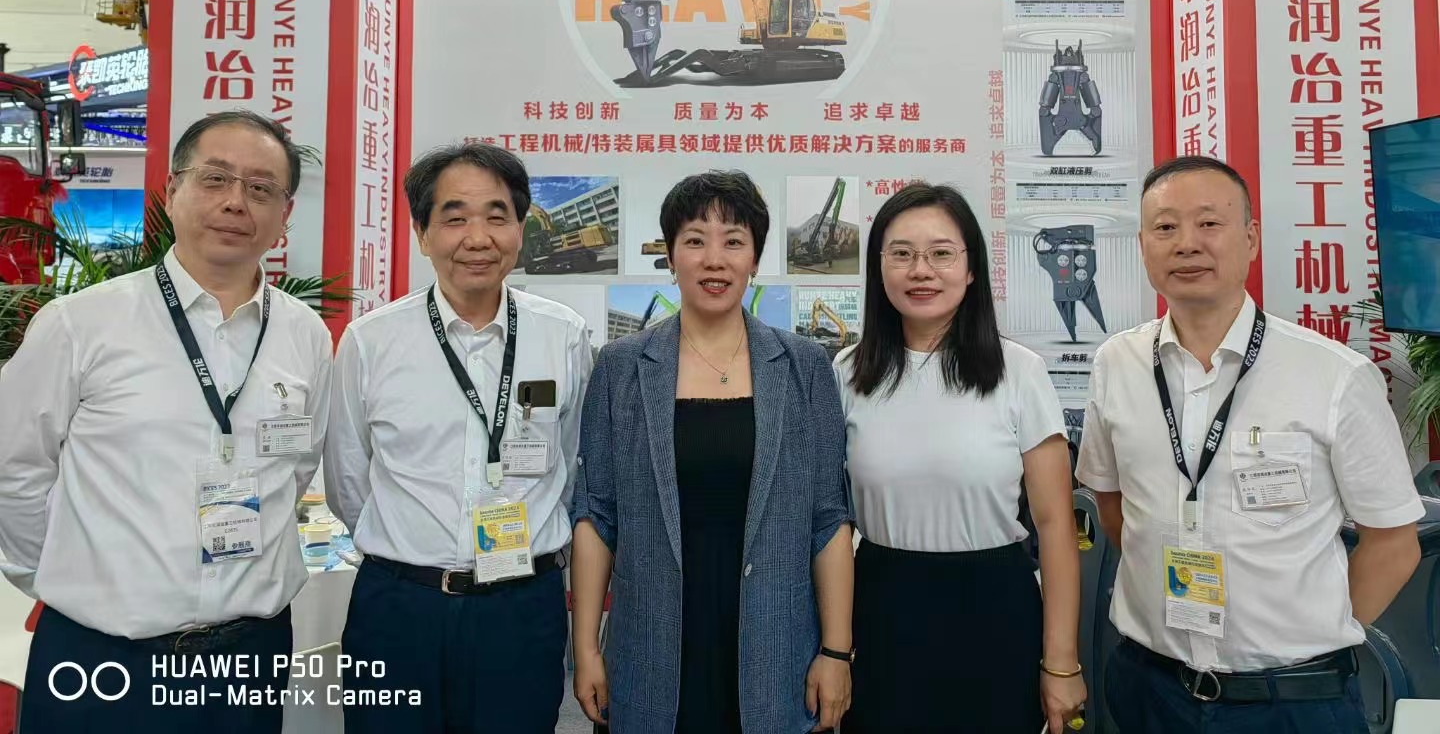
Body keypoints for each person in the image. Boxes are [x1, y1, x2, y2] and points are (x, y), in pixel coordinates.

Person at [0, 110, 332, 733]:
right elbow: (14, 470)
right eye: (215, 179)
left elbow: (297, 468)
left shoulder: (304, 333)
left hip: (248, 656)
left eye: (261, 188)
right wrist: (72, 578)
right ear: (174, 189)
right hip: (102, 656)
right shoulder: (82, 323)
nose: (236, 202)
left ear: (284, 214)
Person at [1076, 155, 1423, 734]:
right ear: (1143, 246)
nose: (1187, 243)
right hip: (1149, 686)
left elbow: (1393, 542)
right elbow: (1113, 506)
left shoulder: (1334, 375)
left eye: (1209, 223)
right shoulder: (1117, 363)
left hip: (1294, 702)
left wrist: (1308, 638)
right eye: (1165, 227)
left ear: (1251, 238)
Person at [570, 170, 853, 734]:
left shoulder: (804, 367)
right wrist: (586, 649)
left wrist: (836, 651)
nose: (714, 260)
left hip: (777, 646)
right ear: (672, 257)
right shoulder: (621, 367)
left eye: (734, 241)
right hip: (651, 647)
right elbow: (597, 516)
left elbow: (829, 519)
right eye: (695, 240)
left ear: (755, 259)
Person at [324, 142, 591, 732]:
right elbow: (348, 481)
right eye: (454, 218)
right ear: (422, 233)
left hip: (522, 610)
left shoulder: (564, 336)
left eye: (497, 216)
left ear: (520, 229)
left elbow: (572, 465)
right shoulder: (371, 342)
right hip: (400, 608)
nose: (478, 238)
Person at [834, 182, 1086, 733]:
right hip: (879, 608)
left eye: (941, 254)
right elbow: (830, 522)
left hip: (995, 609)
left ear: (971, 270)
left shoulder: (1019, 371)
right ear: (879, 268)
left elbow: (1055, 526)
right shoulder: (847, 373)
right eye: (902, 254)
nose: (921, 270)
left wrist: (1061, 662)